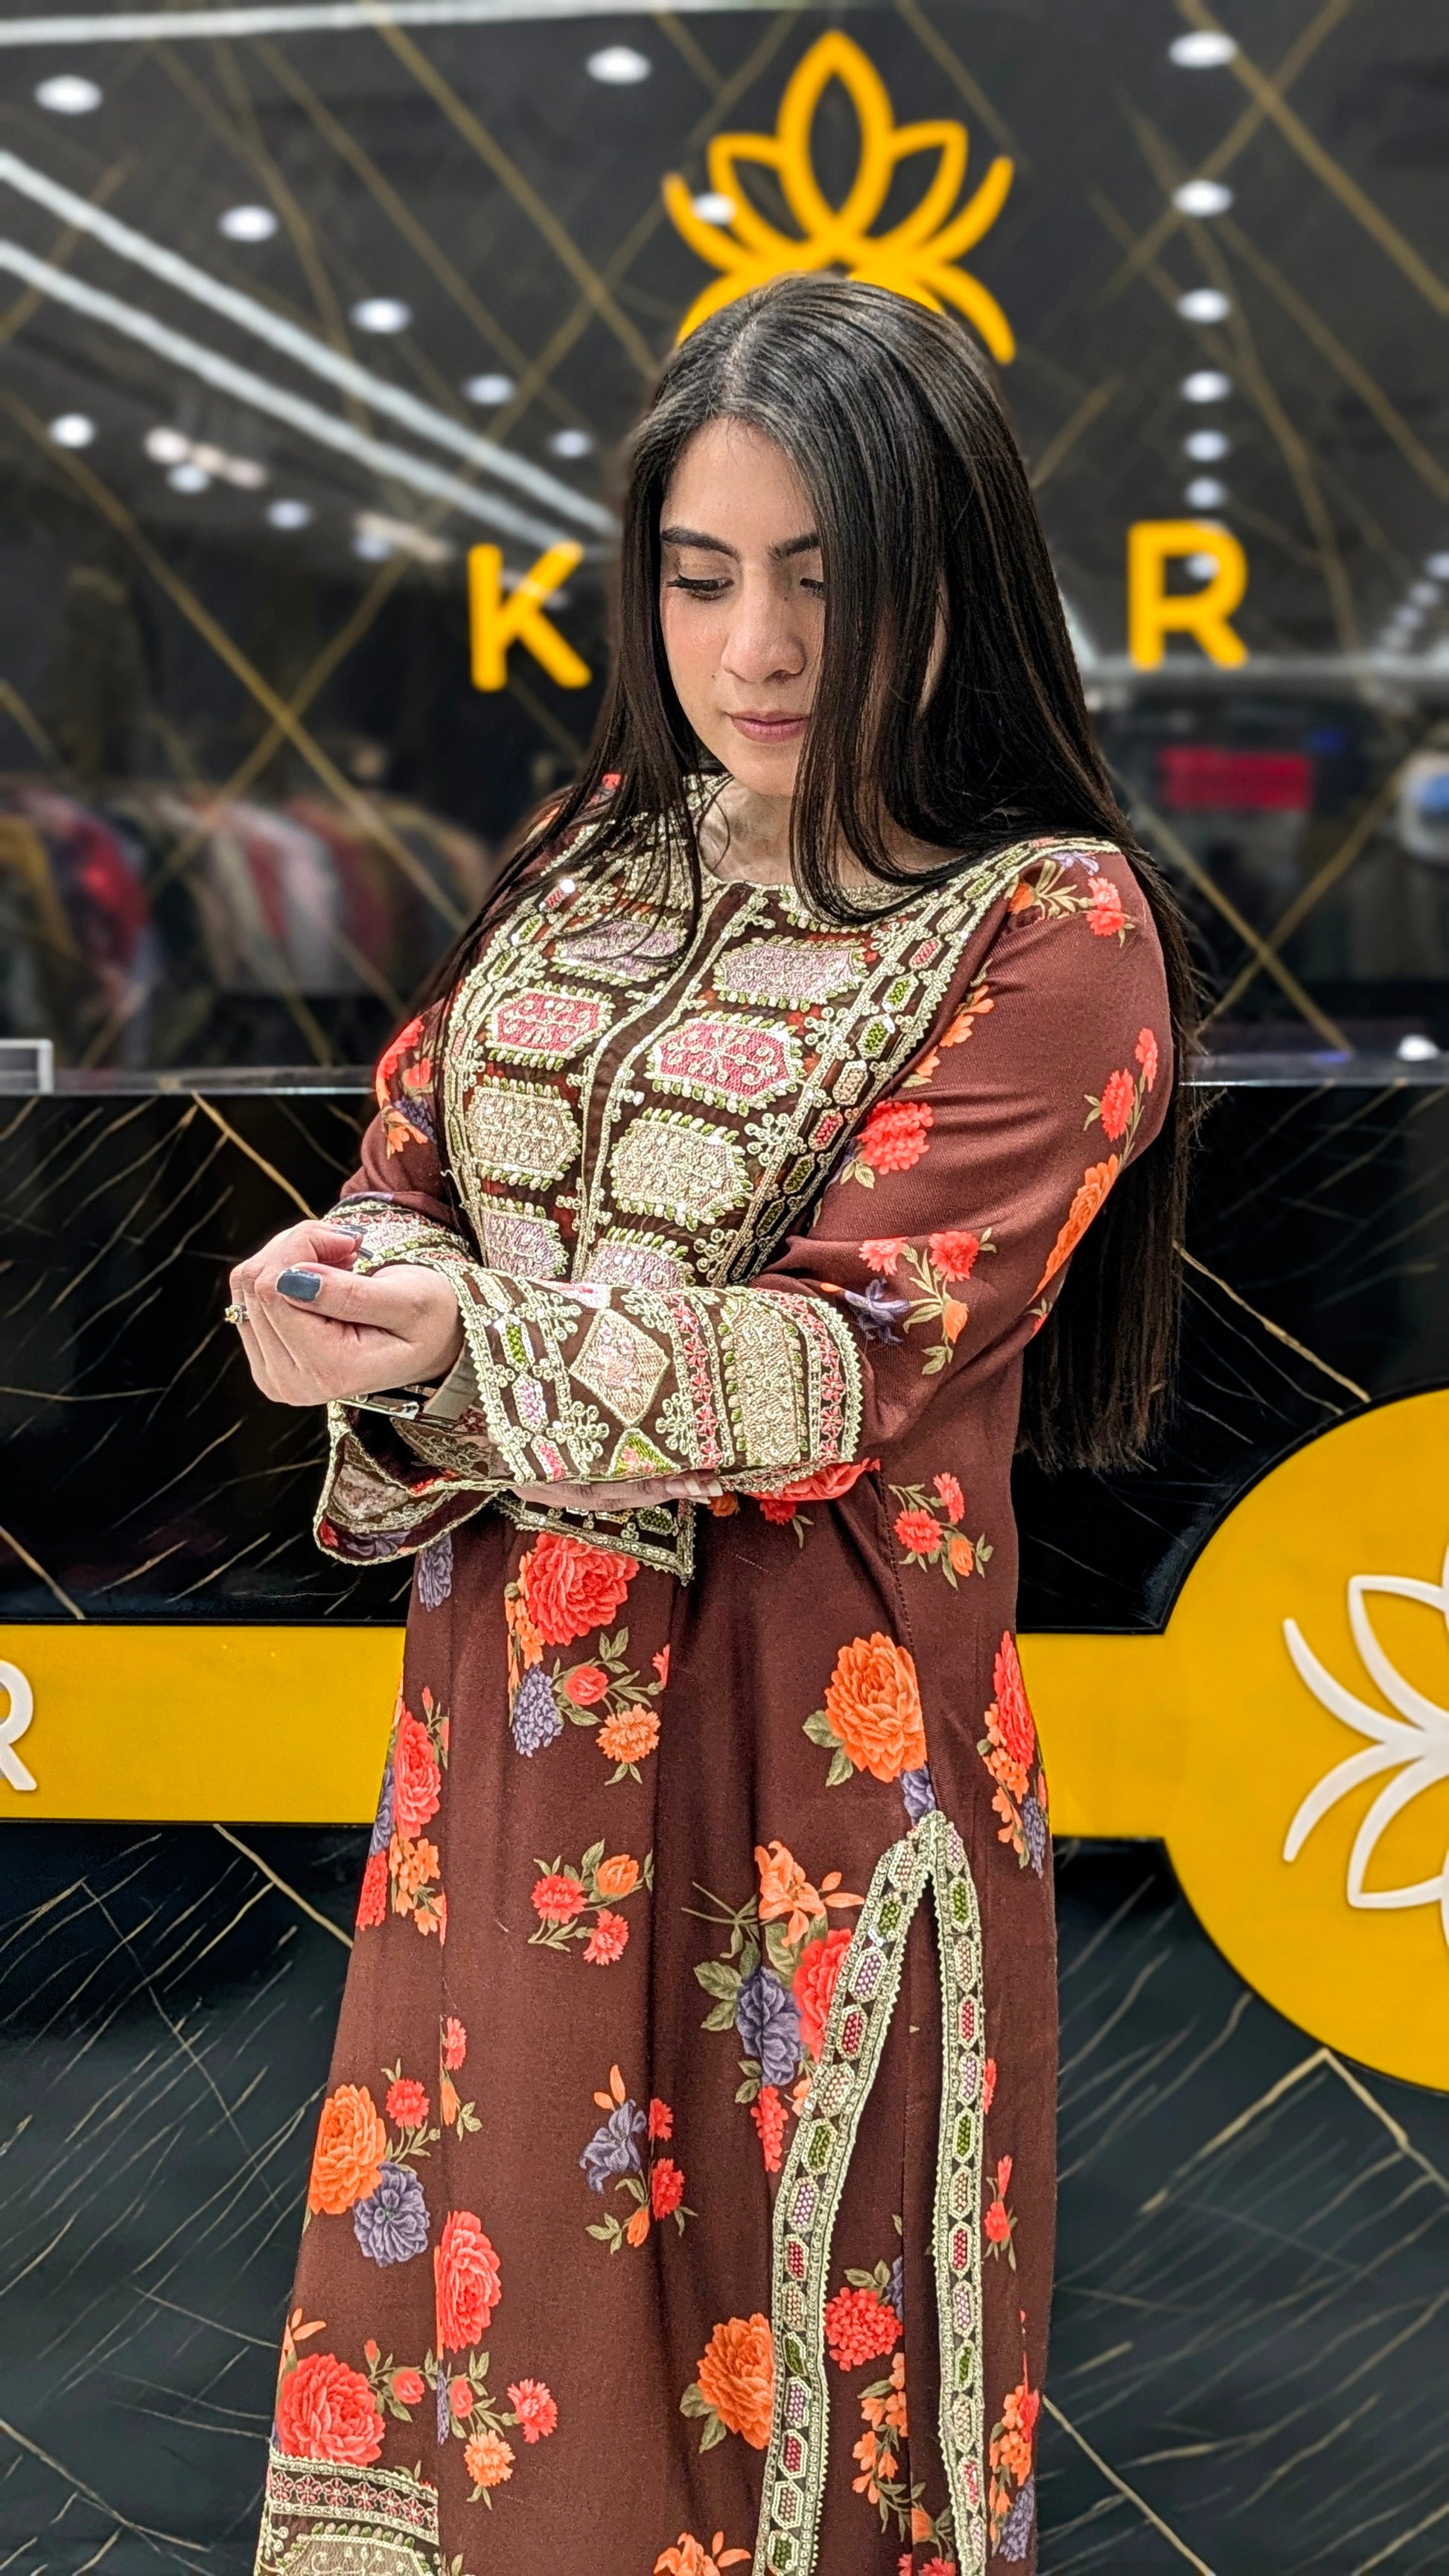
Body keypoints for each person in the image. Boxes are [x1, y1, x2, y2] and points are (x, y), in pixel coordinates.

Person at [232, 275, 1190, 2576]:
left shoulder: (1044, 930)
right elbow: (415, 1155)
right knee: (485, 2371)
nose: (753, 646)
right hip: (504, 1759)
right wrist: (335, 1285)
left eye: (821, 580)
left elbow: (842, 1352)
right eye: (698, 575)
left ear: (948, 584)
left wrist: (447, 1342)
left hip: (801, 1787)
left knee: (768, 2411)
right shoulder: (588, 851)